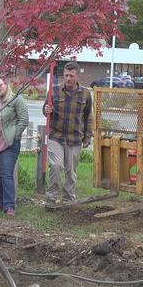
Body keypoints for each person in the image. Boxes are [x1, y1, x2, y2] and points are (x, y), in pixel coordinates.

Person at [42, 61, 93, 206]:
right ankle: (52, 198)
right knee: (56, 166)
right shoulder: (54, 91)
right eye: (66, 75)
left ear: (77, 76)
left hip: (75, 138)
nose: (68, 78)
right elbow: (45, 110)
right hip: (56, 137)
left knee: (71, 172)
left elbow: (88, 116)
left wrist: (87, 136)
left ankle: (68, 199)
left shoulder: (85, 93)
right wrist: (46, 110)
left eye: (71, 75)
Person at [0, 78, 29, 216]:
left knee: (6, 173)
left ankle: (9, 206)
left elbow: (24, 120)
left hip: (9, 143)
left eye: (0, 85)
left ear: (6, 84)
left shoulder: (16, 99)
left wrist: (15, 135)